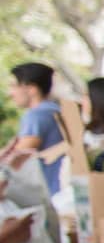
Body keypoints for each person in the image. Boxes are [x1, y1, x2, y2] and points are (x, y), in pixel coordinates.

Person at [8, 63, 63, 195]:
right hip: (60, 190)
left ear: (32, 89)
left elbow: (17, 158)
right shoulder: (55, 110)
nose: (10, 93)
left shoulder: (37, 115)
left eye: (14, 86)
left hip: (48, 194)